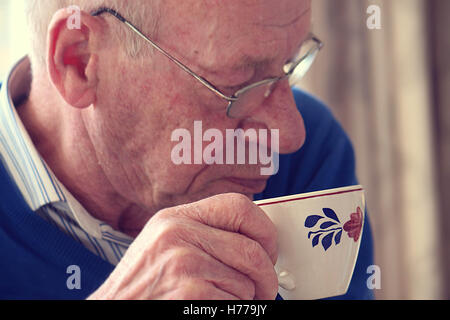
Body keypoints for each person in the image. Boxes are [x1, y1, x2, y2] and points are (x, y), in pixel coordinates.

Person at [0, 0, 374, 299]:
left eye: (289, 65)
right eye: (239, 86)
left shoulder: (306, 164)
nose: (290, 135)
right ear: (78, 61)